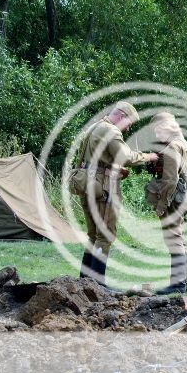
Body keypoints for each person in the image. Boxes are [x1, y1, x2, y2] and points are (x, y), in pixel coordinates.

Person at [77, 101, 157, 285]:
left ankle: (84, 283)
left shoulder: (94, 127)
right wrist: (148, 157)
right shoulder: (111, 131)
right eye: (129, 123)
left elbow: (90, 160)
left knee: (93, 235)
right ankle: (97, 284)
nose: (128, 128)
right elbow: (127, 156)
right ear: (121, 116)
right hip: (103, 188)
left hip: (87, 183)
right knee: (105, 236)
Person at [145, 112, 187, 295]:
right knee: (179, 237)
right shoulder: (182, 144)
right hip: (180, 196)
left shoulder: (172, 147)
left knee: (173, 238)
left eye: (158, 131)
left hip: (172, 197)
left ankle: (177, 284)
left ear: (166, 127)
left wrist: (161, 205)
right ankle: (180, 282)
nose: (157, 135)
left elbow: (170, 180)